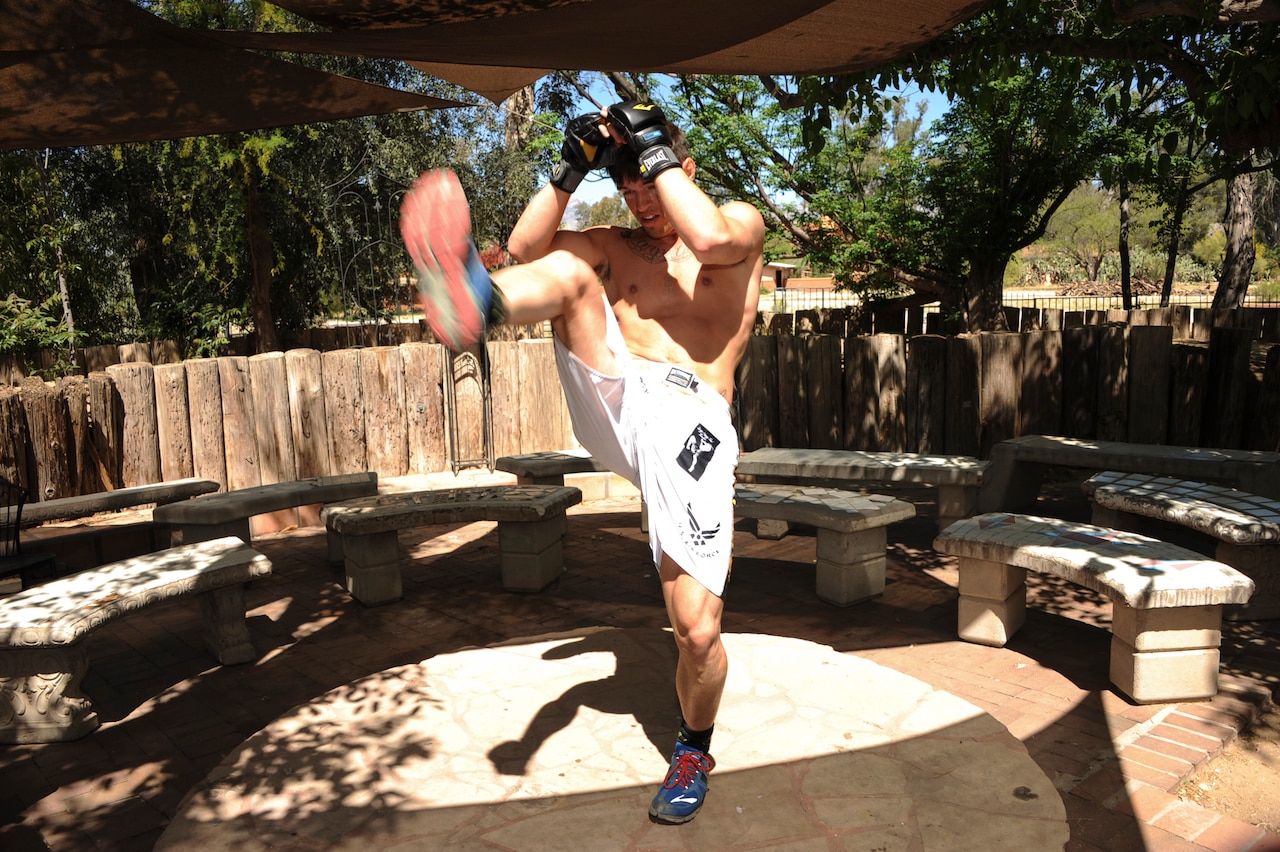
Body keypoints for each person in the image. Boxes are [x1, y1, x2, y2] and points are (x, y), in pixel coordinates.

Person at [399, 99, 765, 824]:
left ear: (681, 170)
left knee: (695, 631)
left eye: (650, 189)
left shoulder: (737, 224)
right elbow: (528, 243)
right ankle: (476, 299)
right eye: (627, 193)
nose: (640, 207)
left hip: (692, 425)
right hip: (620, 395)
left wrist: (654, 152)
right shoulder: (615, 243)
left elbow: (709, 235)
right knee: (568, 275)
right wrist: (571, 167)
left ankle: (694, 746)